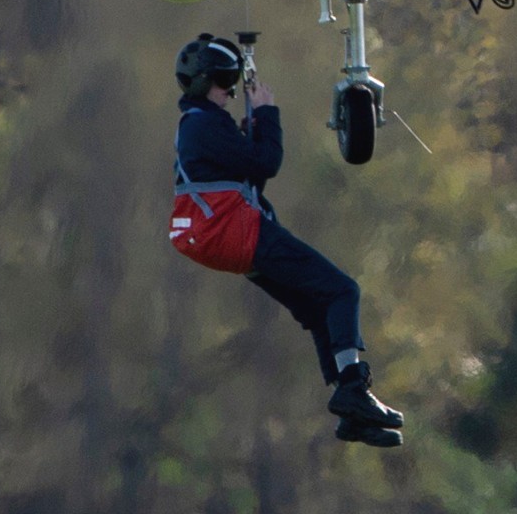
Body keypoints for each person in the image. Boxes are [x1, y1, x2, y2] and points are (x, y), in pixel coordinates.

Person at [170, 34, 405, 448]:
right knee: (342, 290)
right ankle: (352, 386)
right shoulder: (204, 124)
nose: (229, 89)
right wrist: (267, 112)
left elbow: (250, 174)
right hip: (239, 233)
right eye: (225, 81)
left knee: (318, 307)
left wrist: (256, 128)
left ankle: (351, 408)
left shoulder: (199, 125)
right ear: (207, 81)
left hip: (232, 241)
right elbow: (268, 163)